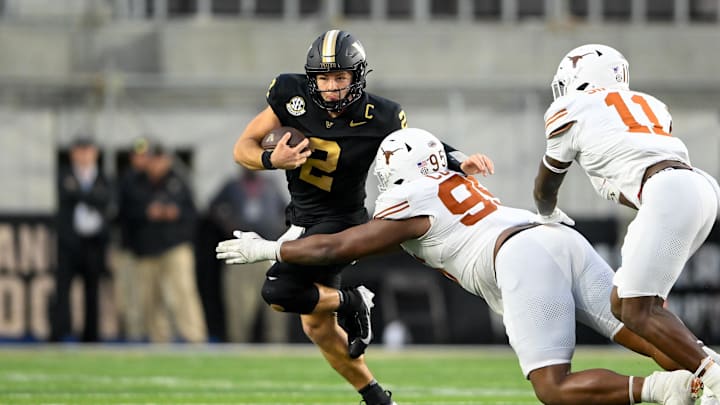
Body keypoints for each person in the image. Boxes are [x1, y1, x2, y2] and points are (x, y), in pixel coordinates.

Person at [218, 127, 703, 405]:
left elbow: (336, 248)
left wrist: (270, 251)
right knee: (641, 329)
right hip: (557, 237)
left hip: (519, 255)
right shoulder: (455, 180)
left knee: (554, 388)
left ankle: (670, 388)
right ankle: (710, 371)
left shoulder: (410, 200)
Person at [229, 29, 493, 405]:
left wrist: (458, 159)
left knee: (279, 291)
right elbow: (243, 148)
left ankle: (353, 301)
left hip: (341, 221)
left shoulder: (380, 115)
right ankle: (377, 398)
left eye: (340, 77)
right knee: (317, 326)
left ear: (357, 76)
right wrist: (272, 159)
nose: (332, 87)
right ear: (311, 78)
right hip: (300, 217)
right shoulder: (291, 96)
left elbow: (417, 146)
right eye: (324, 77)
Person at [531, 43, 720, 402]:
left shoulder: (569, 107)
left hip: (667, 191)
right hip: (698, 186)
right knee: (626, 304)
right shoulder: (653, 106)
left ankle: (715, 378)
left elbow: (547, 183)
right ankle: (707, 380)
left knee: (636, 309)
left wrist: (545, 212)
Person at [124, 143, 206, 343]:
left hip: (175, 245)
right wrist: (146, 213)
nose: (157, 163)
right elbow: (123, 214)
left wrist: (174, 214)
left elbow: (193, 213)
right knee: (149, 299)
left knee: (183, 293)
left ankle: (194, 338)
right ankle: (159, 340)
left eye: (161, 159)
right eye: (154, 158)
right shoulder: (134, 182)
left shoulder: (178, 182)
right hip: (145, 248)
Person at [207, 169, 289, 342]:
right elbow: (213, 208)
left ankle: (277, 344)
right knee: (240, 305)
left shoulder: (270, 184)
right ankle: (239, 343)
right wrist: (228, 224)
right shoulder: (233, 185)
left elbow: (286, 210)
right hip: (242, 252)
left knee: (276, 303)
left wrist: (279, 228)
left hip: (268, 251)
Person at [52, 135, 113, 342]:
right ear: (73, 153)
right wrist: (92, 196)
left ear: (95, 153)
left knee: (92, 290)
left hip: (94, 242)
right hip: (69, 242)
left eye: (88, 150)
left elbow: (107, 200)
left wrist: (79, 193)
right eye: (80, 150)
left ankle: (91, 336)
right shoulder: (64, 174)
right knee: (62, 290)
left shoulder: (104, 177)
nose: (84, 155)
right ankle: (58, 334)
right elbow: (95, 198)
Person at [113, 136, 152, 341]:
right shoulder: (126, 180)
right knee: (129, 300)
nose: (142, 159)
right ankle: (133, 338)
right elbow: (121, 213)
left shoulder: (155, 179)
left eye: (145, 155)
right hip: (129, 248)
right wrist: (147, 212)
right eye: (139, 155)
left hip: (150, 249)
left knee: (150, 302)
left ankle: (149, 340)